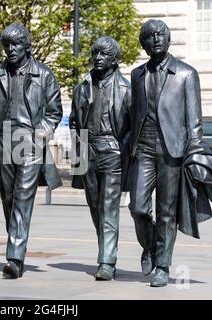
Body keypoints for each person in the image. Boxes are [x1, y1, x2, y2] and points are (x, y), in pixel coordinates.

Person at [0, 23, 63, 279]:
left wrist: (40, 134)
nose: (10, 49)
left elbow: (54, 112)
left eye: (15, 44)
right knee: (8, 199)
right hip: (3, 143)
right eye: (7, 45)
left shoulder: (44, 75)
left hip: (30, 143)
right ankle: (17, 246)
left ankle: (14, 257)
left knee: (22, 198)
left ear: (26, 45)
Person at [128, 19, 203, 287]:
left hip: (173, 150)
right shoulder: (136, 75)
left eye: (161, 34)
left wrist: (194, 154)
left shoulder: (186, 74)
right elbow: (132, 113)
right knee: (137, 207)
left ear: (169, 39)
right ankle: (149, 245)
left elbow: (194, 122)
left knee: (167, 211)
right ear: (144, 43)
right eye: (150, 35)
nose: (156, 38)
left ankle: (162, 264)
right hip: (144, 147)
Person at [69, 36, 131, 281]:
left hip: (112, 150)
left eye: (104, 54)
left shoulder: (126, 88)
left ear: (115, 60)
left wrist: (120, 148)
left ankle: (107, 261)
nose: (97, 58)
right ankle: (106, 249)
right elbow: (75, 119)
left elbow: (131, 125)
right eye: (95, 53)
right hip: (87, 149)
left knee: (108, 207)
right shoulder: (82, 86)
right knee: (95, 207)